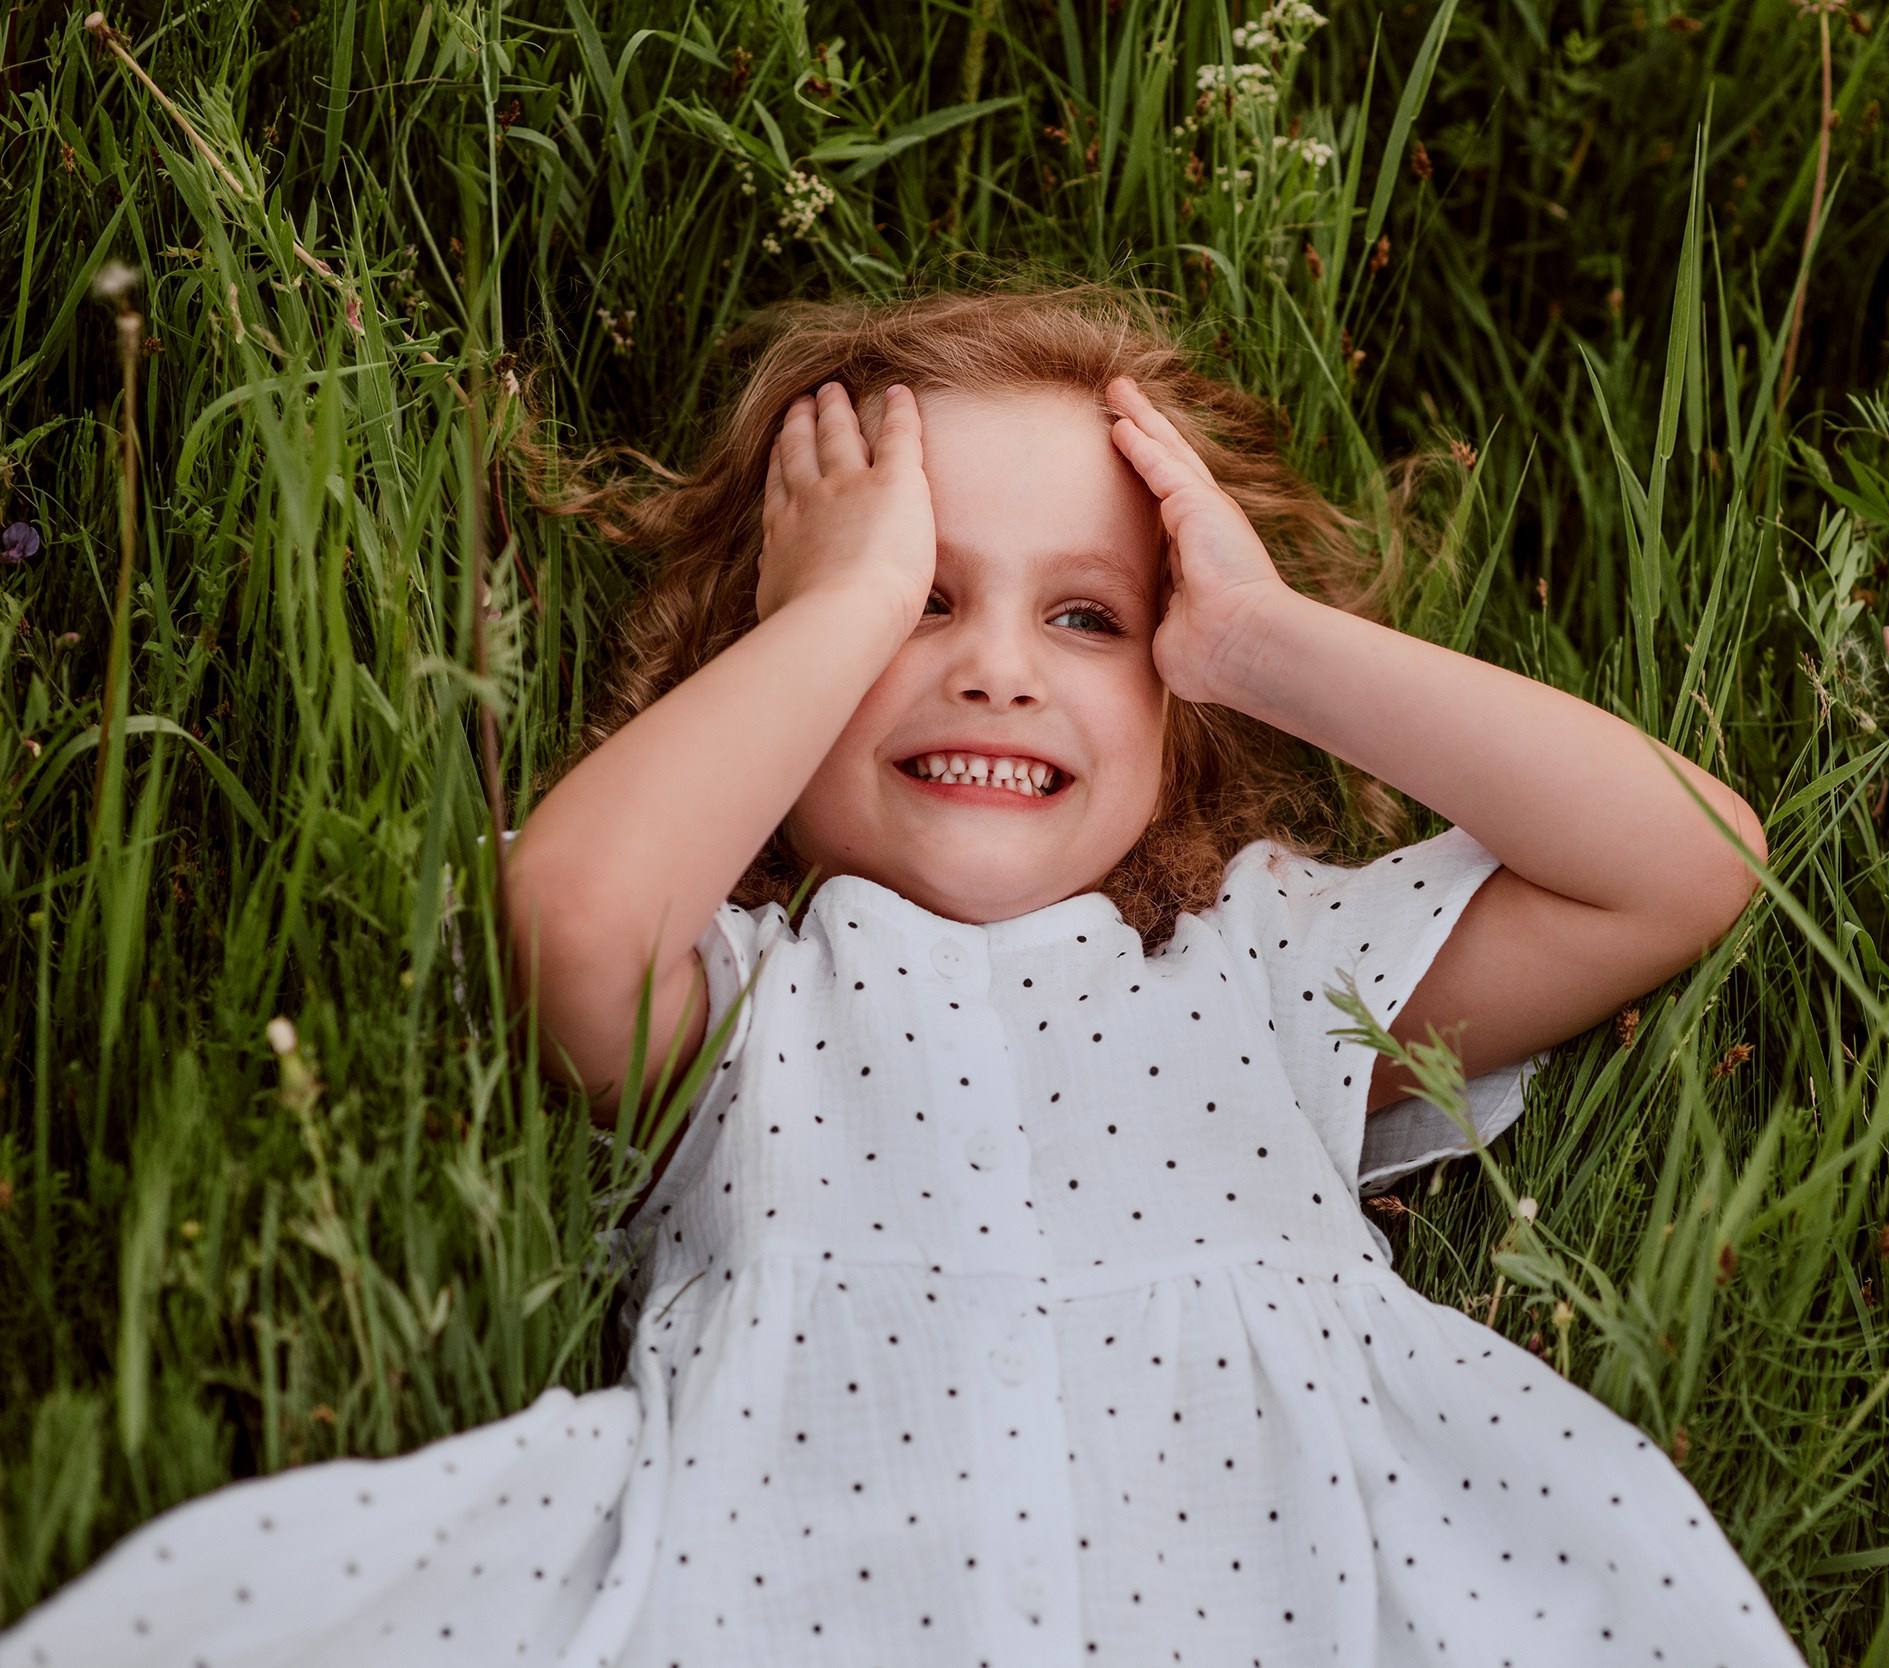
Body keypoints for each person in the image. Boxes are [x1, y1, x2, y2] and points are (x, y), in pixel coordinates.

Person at [1, 288, 1795, 1667]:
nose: (998, 669)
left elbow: (1684, 860)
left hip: (1292, 1584)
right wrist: (829, 615)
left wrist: (1268, 643)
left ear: (1187, 703)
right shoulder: (752, 992)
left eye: (1088, 617)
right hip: (807, 1579)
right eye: (926, 596)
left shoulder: (1261, 967)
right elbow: (566, 928)